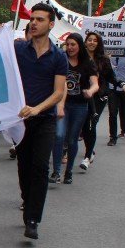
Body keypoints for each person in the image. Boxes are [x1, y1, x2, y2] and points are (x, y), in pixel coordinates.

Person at [0, 3, 67, 241]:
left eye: (40, 19)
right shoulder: (18, 48)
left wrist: (38, 109)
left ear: (51, 24)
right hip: (21, 121)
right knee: (24, 167)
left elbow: (58, 92)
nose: (34, 23)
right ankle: (27, 200)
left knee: (40, 167)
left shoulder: (59, 56)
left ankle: (33, 219)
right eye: (32, 19)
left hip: (44, 119)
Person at [50, 33, 98, 184]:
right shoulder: (61, 59)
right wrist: (60, 105)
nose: (70, 48)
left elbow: (95, 83)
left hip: (79, 106)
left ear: (79, 46)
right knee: (58, 136)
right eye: (68, 44)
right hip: (61, 104)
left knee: (72, 140)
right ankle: (56, 172)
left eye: (73, 45)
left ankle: (68, 171)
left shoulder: (87, 63)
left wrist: (90, 91)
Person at [79, 31, 114, 171]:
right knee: (83, 126)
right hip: (82, 95)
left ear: (98, 43)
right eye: (89, 40)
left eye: (95, 40)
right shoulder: (79, 58)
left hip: (98, 97)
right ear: (85, 42)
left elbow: (112, 77)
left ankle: (87, 157)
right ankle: (90, 149)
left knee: (91, 124)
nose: (92, 42)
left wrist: (123, 85)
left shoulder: (104, 60)